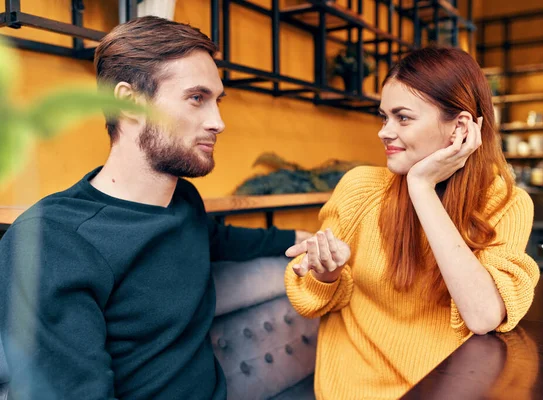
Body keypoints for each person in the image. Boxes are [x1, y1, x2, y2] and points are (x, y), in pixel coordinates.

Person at [0, 16, 310, 400]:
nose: (218, 122)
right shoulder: (52, 241)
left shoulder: (184, 204)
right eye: (197, 98)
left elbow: (221, 239)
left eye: (217, 101)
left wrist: (303, 238)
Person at [285, 47, 540, 399]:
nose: (384, 132)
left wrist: (422, 188)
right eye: (383, 117)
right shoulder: (360, 188)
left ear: (460, 127)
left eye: (402, 118)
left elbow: (483, 316)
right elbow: (310, 301)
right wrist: (325, 275)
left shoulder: (505, 203)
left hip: (445, 390)